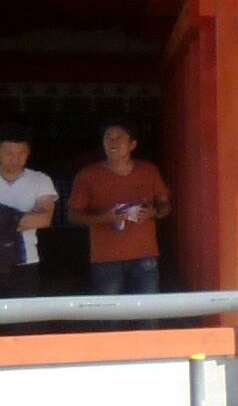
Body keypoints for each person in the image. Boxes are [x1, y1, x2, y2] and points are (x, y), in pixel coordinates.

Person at [64, 121, 171, 293]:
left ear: (132, 144)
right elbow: (72, 216)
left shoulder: (148, 170)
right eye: (108, 138)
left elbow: (165, 204)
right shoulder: (88, 175)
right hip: (106, 258)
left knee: (149, 313)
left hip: (145, 255)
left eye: (119, 138)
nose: (113, 143)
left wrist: (154, 212)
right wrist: (104, 218)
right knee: (110, 316)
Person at [0, 125, 57, 296]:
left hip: (26, 262)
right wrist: (23, 218)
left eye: (21, 153)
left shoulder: (40, 180)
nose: (15, 159)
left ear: (28, 152)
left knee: (24, 320)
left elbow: (44, 219)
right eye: (9, 153)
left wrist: (3, 218)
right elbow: (35, 218)